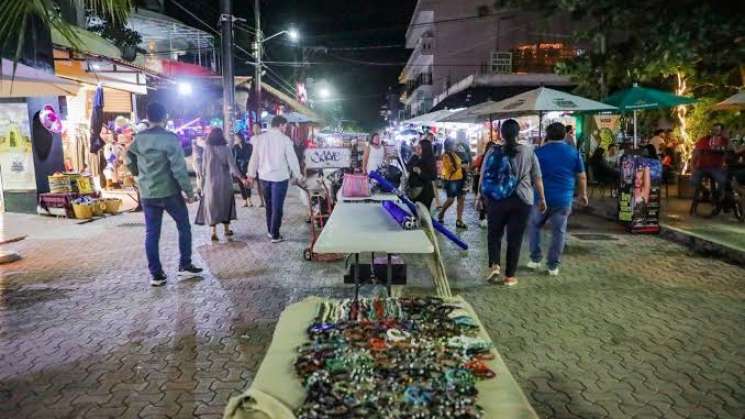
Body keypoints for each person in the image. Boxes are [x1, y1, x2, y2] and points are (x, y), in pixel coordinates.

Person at [125, 102, 202, 287]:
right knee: (183, 226)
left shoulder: (139, 139)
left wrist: (138, 173)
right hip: (169, 192)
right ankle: (184, 266)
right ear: (165, 117)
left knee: (152, 233)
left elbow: (128, 158)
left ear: (147, 117)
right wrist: (189, 192)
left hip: (148, 193)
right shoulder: (169, 138)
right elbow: (179, 168)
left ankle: (156, 275)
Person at [478, 119, 546, 286]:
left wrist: (480, 195)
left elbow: (483, 174)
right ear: (518, 133)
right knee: (514, 239)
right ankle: (510, 276)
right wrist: (543, 198)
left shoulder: (493, 151)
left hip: (496, 198)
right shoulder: (528, 151)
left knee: (494, 234)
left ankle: (494, 264)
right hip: (522, 200)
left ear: (501, 133)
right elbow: (537, 177)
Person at [527, 122, 588, 276]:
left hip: (540, 199)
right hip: (563, 199)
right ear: (565, 135)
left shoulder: (538, 152)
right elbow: (581, 177)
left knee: (534, 226)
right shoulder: (574, 153)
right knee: (558, 232)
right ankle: (553, 266)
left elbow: (530, 176)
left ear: (547, 135)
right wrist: (583, 195)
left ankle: (535, 259)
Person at [247, 115, 303, 243]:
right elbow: (292, 159)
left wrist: (251, 175)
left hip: (264, 177)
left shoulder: (259, 139)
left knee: (269, 205)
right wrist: (298, 175)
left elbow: (254, 158)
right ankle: (275, 235)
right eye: (285, 126)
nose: (285, 129)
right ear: (280, 125)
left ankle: (270, 231)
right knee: (277, 207)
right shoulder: (285, 140)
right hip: (280, 177)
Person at [195, 128, 246, 242]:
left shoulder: (207, 149)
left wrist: (201, 183)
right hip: (225, 183)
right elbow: (233, 167)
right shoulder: (226, 149)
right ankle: (226, 229)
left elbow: (203, 168)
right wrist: (242, 178)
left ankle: (213, 232)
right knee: (225, 205)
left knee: (213, 206)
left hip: (211, 183)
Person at [692, 123, 729, 214]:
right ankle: (706, 192)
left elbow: (729, 152)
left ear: (721, 131)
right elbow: (696, 152)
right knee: (693, 181)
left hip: (716, 167)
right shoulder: (704, 139)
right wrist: (693, 165)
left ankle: (716, 197)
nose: (715, 132)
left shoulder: (725, 141)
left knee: (722, 181)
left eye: (717, 130)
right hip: (702, 167)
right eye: (713, 130)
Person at [438, 140, 468, 229]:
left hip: (460, 179)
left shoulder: (455, 154)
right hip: (451, 181)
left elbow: (460, 164)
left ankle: (459, 220)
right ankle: (441, 213)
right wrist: (461, 166)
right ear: (449, 146)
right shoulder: (446, 156)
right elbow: (450, 168)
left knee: (461, 199)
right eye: (454, 144)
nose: (456, 146)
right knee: (451, 200)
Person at [406, 138, 437, 209]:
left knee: (424, 213)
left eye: (419, 148)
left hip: (425, 192)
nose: (416, 149)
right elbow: (408, 167)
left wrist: (420, 173)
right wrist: (412, 169)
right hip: (414, 191)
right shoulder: (415, 157)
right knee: (415, 212)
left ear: (425, 149)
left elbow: (433, 176)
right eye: (417, 147)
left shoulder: (430, 160)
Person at [472, 141, 495, 228]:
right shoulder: (497, 159)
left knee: (482, 200)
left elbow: (474, 166)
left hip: (481, 181)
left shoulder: (481, 157)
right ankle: (486, 218)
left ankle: (482, 218)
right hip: (491, 183)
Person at [233, 133, 254, 207]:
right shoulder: (235, 147)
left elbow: (252, 156)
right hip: (238, 168)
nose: (235, 140)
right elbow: (234, 158)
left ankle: (249, 200)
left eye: (236, 138)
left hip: (247, 167)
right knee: (241, 184)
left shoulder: (249, 146)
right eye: (235, 138)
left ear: (241, 138)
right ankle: (245, 201)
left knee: (247, 184)